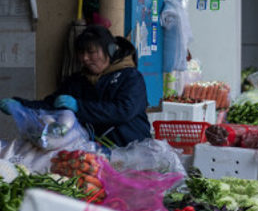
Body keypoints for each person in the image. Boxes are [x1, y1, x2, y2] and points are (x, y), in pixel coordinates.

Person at [0, 25, 151, 148]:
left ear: (110, 50)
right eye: (81, 52)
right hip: (97, 154)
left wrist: (79, 107)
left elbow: (123, 111)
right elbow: (50, 104)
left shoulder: (130, 77)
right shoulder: (77, 81)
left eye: (91, 52)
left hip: (133, 150)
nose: (84, 58)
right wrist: (20, 105)